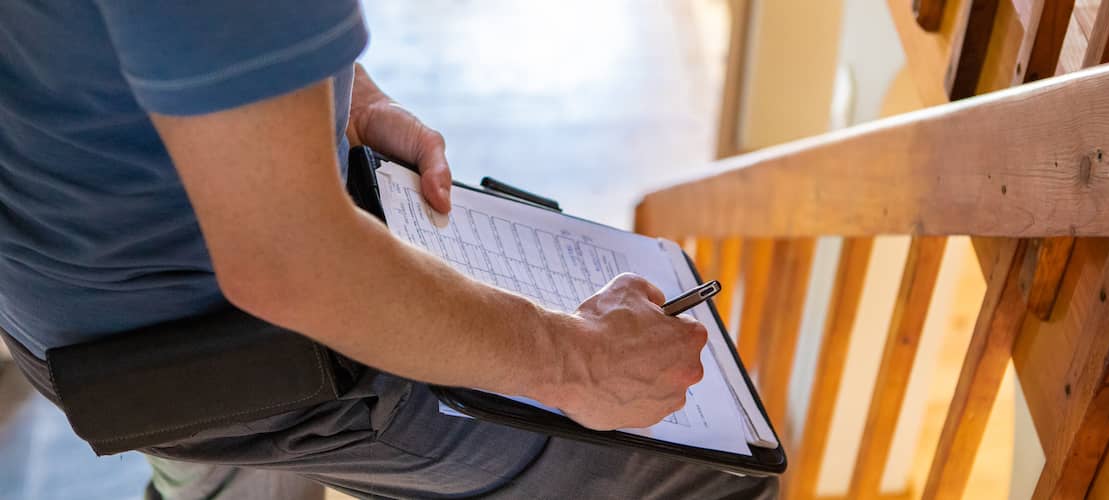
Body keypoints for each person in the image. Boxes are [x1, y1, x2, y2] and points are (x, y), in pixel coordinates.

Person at [0, 1, 779, 498]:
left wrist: (335, 92)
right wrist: (575, 362)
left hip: (61, 288)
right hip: (214, 339)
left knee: (224, 471)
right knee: (702, 480)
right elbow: (291, 265)